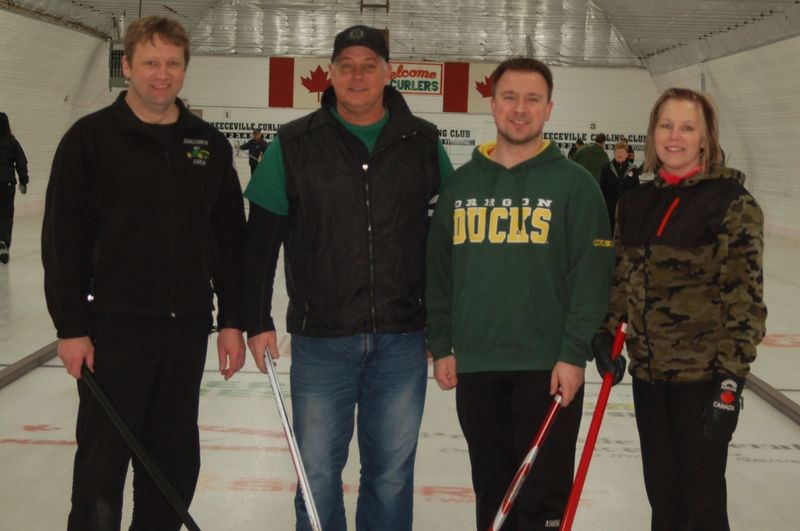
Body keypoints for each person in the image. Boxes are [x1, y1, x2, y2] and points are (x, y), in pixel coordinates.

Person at [242, 24, 453, 531]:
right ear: (331, 74)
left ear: (389, 72)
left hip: (402, 339)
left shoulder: (423, 143)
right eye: (346, 66)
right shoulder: (294, 144)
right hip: (321, 341)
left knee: (391, 476)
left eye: (369, 65)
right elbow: (260, 243)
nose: (357, 75)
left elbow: (447, 246)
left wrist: (443, 329)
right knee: (315, 473)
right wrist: (254, 319)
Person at [42, 16, 246, 531]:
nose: (162, 74)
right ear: (127, 66)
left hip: (184, 330)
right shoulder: (90, 141)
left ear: (184, 69)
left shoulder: (208, 144)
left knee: (174, 461)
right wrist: (70, 327)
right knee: (102, 464)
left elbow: (229, 242)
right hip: (114, 330)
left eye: (173, 63)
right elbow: (63, 241)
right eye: (151, 62)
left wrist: (232, 320)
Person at [425, 57, 614, 531]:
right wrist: (442, 343)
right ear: (491, 104)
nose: (520, 109)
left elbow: (591, 277)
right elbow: (441, 272)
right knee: (493, 491)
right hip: (478, 363)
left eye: (533, 99)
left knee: (542, 496)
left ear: (549, 109)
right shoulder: (460, 186)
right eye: (509, 97)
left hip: (547, 366)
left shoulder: (576, 186)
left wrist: (573, 354)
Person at [594, 87, 767, 531]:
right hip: (648, 379)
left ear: (705, 137)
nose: (675, 136)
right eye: (665, 125)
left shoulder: (730, 203)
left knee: (702, 507)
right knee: (663, 502)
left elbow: (744, 302)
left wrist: (729, 384)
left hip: (701, 381)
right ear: (652, 135)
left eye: (687, 127)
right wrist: (606, 330)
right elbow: (622, 279)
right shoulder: (635, 202)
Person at [0, 111, 29, 264]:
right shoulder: (12, 142)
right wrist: (24, 182)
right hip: (7, 183)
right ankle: (3, 242)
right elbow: (21, 162)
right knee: (6, 214)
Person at [599, 140, 640, 233]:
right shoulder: (607, 168)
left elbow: (637, 189)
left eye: (622, 151)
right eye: (617, 151)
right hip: (610, 206)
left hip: (627, 206)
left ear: (626, 154)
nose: (619, 154)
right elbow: (602, 187)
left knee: (626, 229)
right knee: (609, 229)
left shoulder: (633, 169)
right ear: (614, 153)